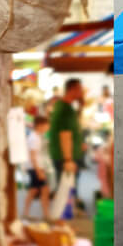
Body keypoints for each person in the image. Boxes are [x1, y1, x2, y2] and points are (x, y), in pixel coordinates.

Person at [46, 78, 85, 215]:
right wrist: (68, 159)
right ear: (72, 89)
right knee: (64, 190)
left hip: (63, 155)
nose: (82, 92)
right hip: (65, 157)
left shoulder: (62, 106)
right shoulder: (65, 109)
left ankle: (65, 218)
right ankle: (61, 221)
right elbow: (65, 135)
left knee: (66, 188)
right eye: (80, 89)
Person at [24, 115, 51, 219]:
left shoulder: (36, 136)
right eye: (47, 125)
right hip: (34, 167)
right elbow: (32, 156)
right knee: (43, 189)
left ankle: (28, 213)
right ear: (40, 125)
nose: (48, 127)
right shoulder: (34, 138)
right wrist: (38, 171)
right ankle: (46, 214)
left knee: (35, 190)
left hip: (35, 167)